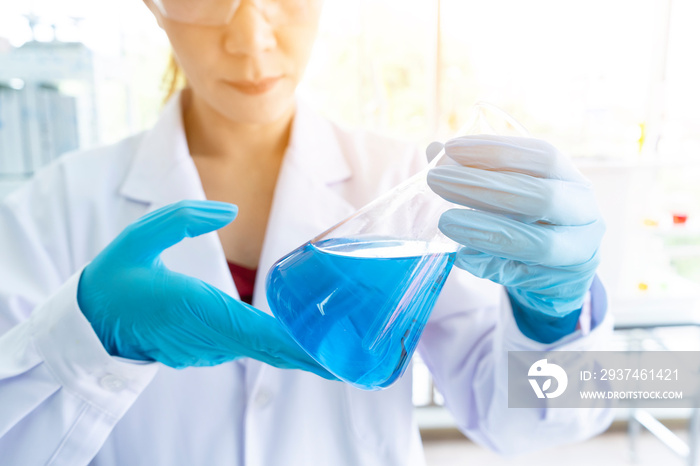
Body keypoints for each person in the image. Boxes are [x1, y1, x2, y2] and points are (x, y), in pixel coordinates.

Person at [0, 0, 612, 464]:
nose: (250, 38)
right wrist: (84, 345)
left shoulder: (406, 179)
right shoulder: (52, 209)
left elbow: (543, 425)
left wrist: (552, 320)